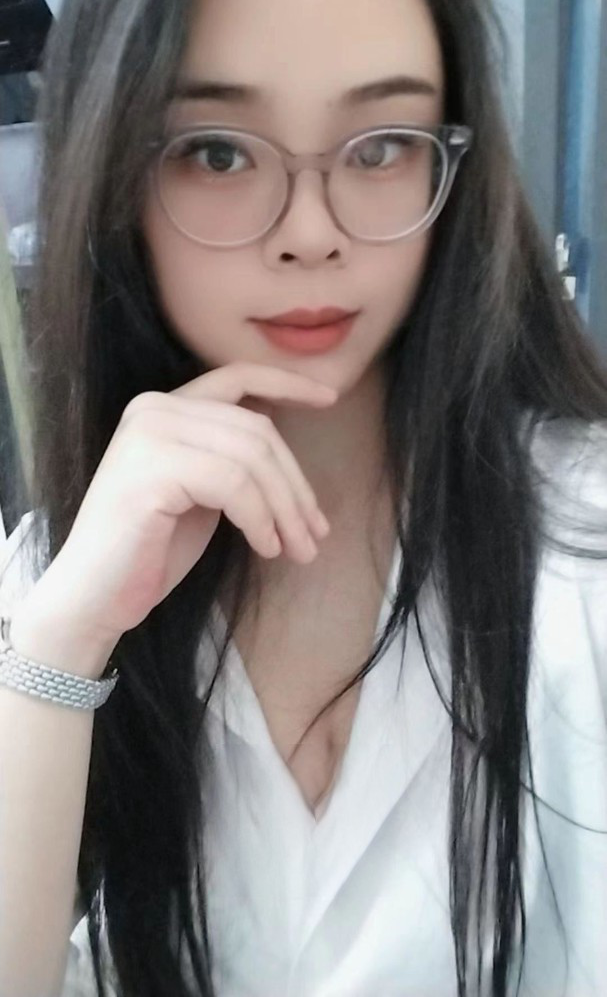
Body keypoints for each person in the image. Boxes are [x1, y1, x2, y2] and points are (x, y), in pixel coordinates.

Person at [0, 0, 606, 994]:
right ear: (114, 177)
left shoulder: (586, 540)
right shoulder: (53, 580)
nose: (312, 233)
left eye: (381, 146)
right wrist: (65, 644)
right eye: (217, 154)